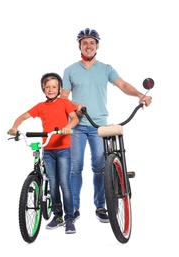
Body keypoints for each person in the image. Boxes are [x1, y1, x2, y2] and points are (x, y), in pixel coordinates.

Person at [60, 28, 152, 223]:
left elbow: (123, 85)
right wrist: (75, 105)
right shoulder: (70, 70)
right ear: (80, 46)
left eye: (92, 43)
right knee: (75, 167)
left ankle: (101, 206)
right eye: (84, 43)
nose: (88, 46)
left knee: (100, 167)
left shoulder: (106, 69)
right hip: (77, 124)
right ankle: (74, 208)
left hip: (99, 125)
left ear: (97, 46)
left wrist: (140, 95)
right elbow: (63, 99)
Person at [8, 73, 79, 234]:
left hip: (63, 149)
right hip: (47, 150)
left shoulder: (64, 102)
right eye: (47, 87)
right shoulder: (41, 106)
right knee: (53, 184)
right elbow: (23, 116)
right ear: (43, 89)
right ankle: (58, 216)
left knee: (64, 184)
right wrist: (15, 127)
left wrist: (68, 126)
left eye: (54, 87)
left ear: (59, 89)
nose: (51, 89)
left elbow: (74, 118)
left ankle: (69, 218)